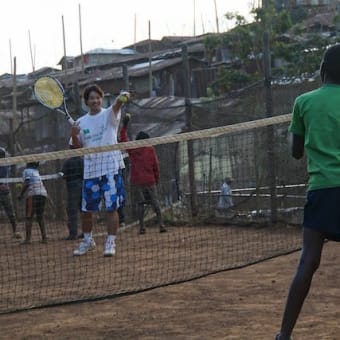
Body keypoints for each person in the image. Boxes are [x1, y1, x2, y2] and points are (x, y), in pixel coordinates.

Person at [275, 44, 340, 340]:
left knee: (308, 261)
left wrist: (295, 131)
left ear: (322, 69)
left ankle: (284, 335)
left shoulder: (304, 102)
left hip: (322, 192)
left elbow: (296, 152)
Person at [71, 85, 129, 257]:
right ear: (86, 102)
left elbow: (118, 104)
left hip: (110, 168)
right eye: (91, 98)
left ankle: (110, 243)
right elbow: (76, 148)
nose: (95, 101)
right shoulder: (81, 122)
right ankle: (88, 241)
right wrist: (74, 134)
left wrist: (122, 96)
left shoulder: (109, 114)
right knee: (87, 210)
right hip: (90, 171)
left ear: (101, 99)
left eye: (98, 97)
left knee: (112, 208)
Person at [119, 113, 166, 235]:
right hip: (150, 181)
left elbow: (123, 139)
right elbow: (156, 166)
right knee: (155, 203)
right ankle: (161, 224)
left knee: (140, 204)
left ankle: (142, 227)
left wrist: (124, 125)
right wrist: (156, 180)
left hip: (137, 181)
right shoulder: (150, 149)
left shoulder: (133, 149)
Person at [18, 162, 48, 244]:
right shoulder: (36, 171)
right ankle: (44, 238)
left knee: (29, 217)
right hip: (43, 194)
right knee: (40, 217)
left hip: (33, 195)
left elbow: (27, 183)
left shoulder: (26, 171)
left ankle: (27, 240)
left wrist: (21, 195)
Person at [60, 146, 84, 240]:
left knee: (72, 211)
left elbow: (63, 175)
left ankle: (73, 234)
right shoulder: (82, 160)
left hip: (73, 187)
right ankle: (86, 232)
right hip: (83, 186)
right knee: (84, 210)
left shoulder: (68, 162)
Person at [0, 147, 20, 239]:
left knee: (11, 213)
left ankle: (15, 232)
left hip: (5, 192)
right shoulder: (6, 164)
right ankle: (15, 231)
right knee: (10, 213)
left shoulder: (5, 165)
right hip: (5, 191)